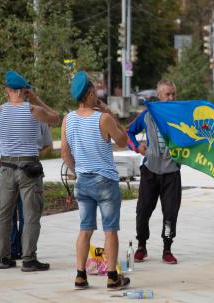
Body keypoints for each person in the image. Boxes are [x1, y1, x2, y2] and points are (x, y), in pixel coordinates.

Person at [0, 70, 59, 271]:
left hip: (6, 168)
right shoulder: (34, 110)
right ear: (25, 91)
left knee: (4, 214)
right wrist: (35, 98)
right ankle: (29, 259)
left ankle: (4, 258)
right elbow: (56, 117)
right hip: (29, 169)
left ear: (8, 91)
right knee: (31, 214)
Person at [61, 71, 130, 290]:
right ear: (90, 93)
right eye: (95, 93)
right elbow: (123, 140)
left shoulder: (67, 119)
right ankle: (112, 277)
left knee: (85, 229)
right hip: (105, 181)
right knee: (110, 231)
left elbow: (64, 152)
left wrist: (77, 171)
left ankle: (80, 276)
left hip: (83, 181)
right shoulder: (104, 118)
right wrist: (110, 113)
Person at [0, 108, 53, 260]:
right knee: (27, 213)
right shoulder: (37, 112)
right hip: (24, 167)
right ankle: (25, 255)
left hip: (7, 167)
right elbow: (48, 144)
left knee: (6, 214)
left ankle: (7, 256)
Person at [126, 79, 181, 264]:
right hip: (150, 171)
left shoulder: (181, 116)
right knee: (142, 211)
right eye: (168, 94)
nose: (171, 98)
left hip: (171, 172)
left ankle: (167, 248)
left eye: (173, 94)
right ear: (159, 96)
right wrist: (137, 147)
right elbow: (128, 133)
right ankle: (141, 245)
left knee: (170, 214)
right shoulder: (147, 115)